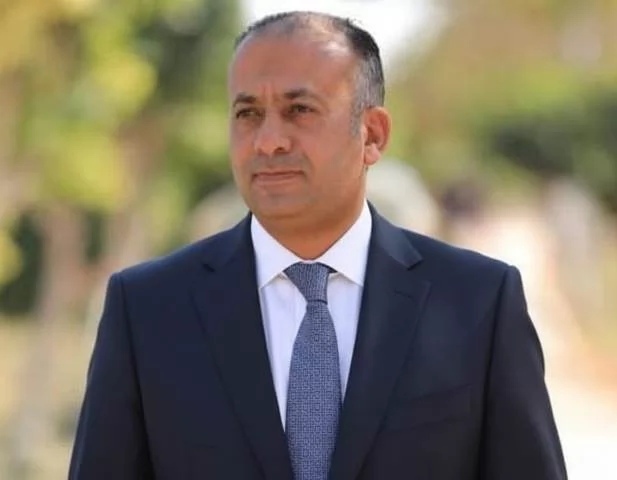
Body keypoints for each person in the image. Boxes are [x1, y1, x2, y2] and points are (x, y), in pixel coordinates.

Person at [68, 11, 567, 480]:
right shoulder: (148, 310)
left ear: (372, 134)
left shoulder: (477, 302)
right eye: (248, 113)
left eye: (299, 110)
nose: (268, 141)